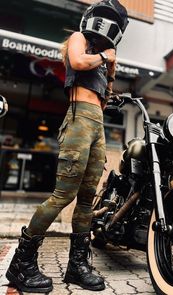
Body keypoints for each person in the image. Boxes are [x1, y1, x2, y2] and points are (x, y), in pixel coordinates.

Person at [5, 0, 129, 293]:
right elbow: (78, 62)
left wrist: (111, 70)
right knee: (63, 195)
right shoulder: (80, 39)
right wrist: (104, 56)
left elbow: (105, 94)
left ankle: (77, 266)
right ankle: (21, 264)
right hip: (78, 121)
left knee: (87, 199)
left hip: (98, 125)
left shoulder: (102, 55)